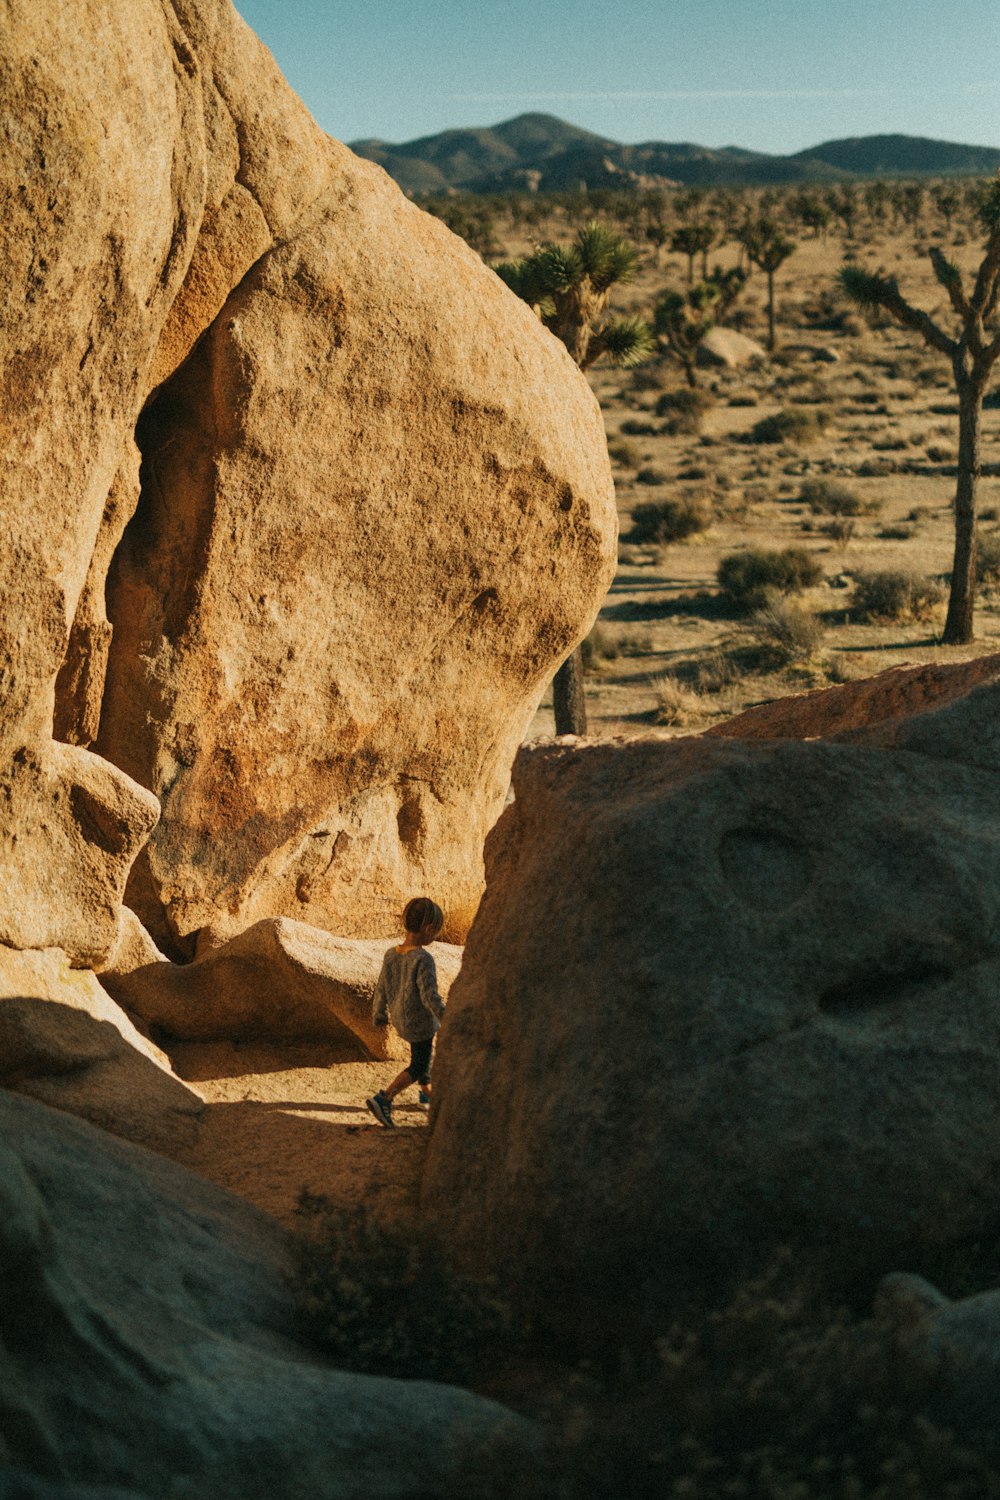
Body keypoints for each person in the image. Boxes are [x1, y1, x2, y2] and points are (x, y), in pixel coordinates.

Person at [366, 897, 445, 1128]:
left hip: (401, 1020)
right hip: (420, 1022)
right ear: (428, 929)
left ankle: (425, 1093)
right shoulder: (422, 958)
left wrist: (379, 1014)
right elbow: (429, 996)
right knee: (419, 1064)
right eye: (436, 932)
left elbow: (381, 986)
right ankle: (385, 1098)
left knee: (423, 1054)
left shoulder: (392, 954)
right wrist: (445, 1018)